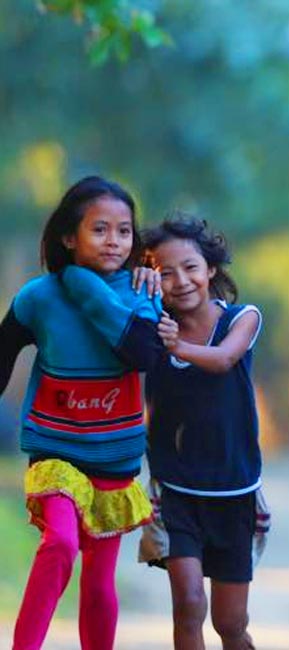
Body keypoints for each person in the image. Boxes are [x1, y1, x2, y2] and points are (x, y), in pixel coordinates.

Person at [0, 176, 164, 650]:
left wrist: (84, 283)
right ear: (69, 237)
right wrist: (68, 279)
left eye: (124, 231)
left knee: (98, 581)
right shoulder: (39, 297)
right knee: (60, 543)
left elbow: (142, 355)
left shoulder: (140, 291)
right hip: (54, 449)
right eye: (100, 229)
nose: (114, 241)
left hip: (114, 456)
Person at [138, 217, 266, 650]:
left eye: (190, 267)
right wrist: (134, 284)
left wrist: (179, 348)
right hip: (176, 489)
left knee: (230, 624)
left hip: (234, 490)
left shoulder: (241, 319)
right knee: (189, 604)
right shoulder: (149, 328)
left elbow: (225, 359)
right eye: (164, 272)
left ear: (211, 269)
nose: (180, 281)